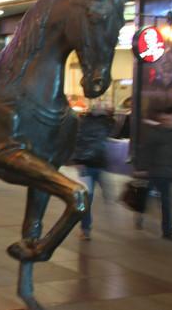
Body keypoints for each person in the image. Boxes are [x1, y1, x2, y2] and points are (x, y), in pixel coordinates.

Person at [138, 106, 172, 241]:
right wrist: (142, 168)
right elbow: (146, 150)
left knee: (166, 203)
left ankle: (167, 231)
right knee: (150, 198)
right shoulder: (157, 132)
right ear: (168, 117)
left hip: (171, 173)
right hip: (155, 171)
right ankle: (142, 216)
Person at [72, 101, 114, 240]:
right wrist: (77, 160)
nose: (101, 109)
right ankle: (85, 229)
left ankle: (86, 229)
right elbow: (76, 140)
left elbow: (114, 129)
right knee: (87, 198)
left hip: (99, 164)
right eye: (98, 107)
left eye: (103, 107)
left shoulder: (106, 122)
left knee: (92, 195)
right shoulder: (83, 122)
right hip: (87, 165)